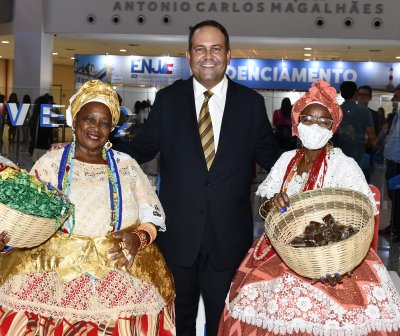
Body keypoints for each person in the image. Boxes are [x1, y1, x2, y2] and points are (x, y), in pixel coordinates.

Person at [116, 20, 280, 336]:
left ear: (229, 55)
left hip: (228, 239)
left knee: (223, 323)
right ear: (188, 56)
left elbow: (270, 158)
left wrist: (307, 167)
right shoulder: (168, 100)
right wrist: (97, 152)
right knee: (180, 322)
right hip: (178, 238)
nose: (208, 56)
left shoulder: (250, 104)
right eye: (200, 49)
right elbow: (142, 148)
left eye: (216, 49)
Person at [218, 80, 400, 335]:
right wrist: (273, 203)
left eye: (324, 122)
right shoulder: (285, 160)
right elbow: (266, 206)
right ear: (297, 122)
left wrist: (338, 259)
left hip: (335, 253)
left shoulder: (343, 165)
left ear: (333, 127)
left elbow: (361, 217)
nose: (315, 127)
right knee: (255, 294)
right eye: (308, 119)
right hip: (282, 247)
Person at [0, 80, 175, 335]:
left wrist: (139, 237)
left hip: (118, 271)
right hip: (55, 274)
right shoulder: (51, 162)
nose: (96, 128)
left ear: (112, 128)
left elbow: (154, 214)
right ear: (75, 120)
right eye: (89, 119)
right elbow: (26, 213)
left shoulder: (126, 165)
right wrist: (8, 240)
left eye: (104, 122)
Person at [335, 81, 376, 182]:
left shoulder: (336, 110)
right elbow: (372, 137)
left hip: (339, 157)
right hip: (359, 156)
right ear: (355, 94)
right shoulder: (364, 111)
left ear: (341, 93)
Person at [382, 84, 400, 237]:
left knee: (397, 196)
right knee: (393, 196)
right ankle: (394, 225)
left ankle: (396, 227)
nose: (394, 99)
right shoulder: (396, 115)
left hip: (398, 163)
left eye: (397, 96)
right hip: (393, 161)